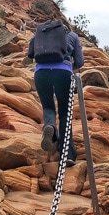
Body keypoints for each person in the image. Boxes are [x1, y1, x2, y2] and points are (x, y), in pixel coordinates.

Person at [28, 19, 84, 166]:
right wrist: (69, 65)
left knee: (48, 107)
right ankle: (68, 155)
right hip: (63, 72)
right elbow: (80, 61)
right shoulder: (73, 36)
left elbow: (30, 53)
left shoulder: (39, 34)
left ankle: (50, 127)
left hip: (41, 73)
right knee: (65, 112)